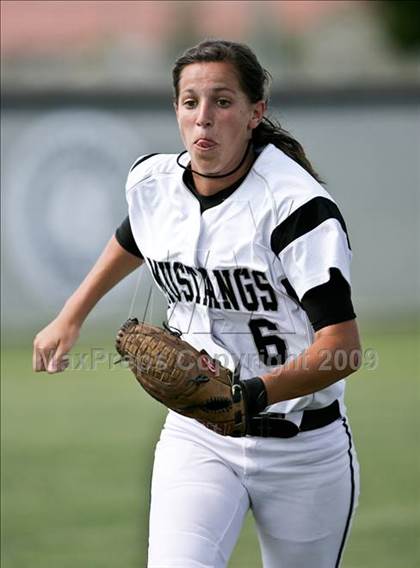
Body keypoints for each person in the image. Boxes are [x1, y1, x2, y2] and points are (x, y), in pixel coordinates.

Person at [33, 39, 361, 568]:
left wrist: (250, 395)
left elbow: (342, 347)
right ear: (176, 110)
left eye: (222, 101)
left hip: (304, 447)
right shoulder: (155, 184)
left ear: (256, 113)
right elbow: (133, 237)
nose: (204, 117)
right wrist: (70, 316)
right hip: (199, 434)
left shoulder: (297, 209)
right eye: (190, 102)